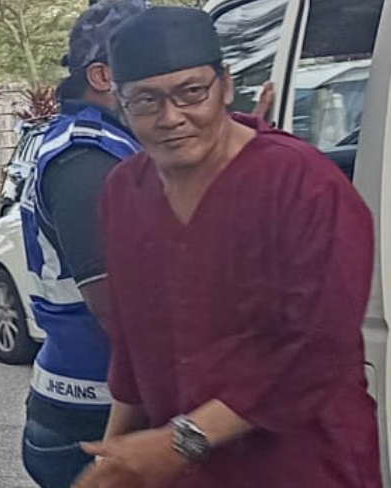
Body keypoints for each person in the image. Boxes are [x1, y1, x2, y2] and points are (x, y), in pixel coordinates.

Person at [73, 6, 381, 488]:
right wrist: (111, 462)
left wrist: (181, 441)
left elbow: (318, 349)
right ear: (121, 105)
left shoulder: (302, 183)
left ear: (226, 86)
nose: (171, 117)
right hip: (184, 473)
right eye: (147, 100)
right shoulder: (124, 190)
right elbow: (134, 346)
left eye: (191, 92)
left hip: (304, 467)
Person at [19, 2, 148, 487]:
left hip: (101, 399)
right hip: (90, 413)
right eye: (146, 59)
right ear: (102, 75)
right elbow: (115, 306)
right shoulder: (86, 158)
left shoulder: (113, 142)